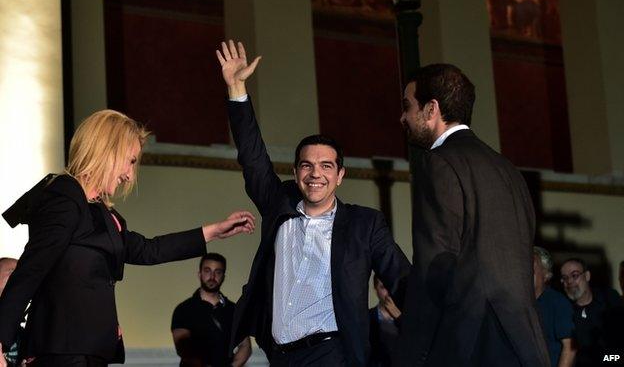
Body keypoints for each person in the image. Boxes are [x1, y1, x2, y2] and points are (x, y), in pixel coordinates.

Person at [0, 109, 255, 367]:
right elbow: (30, 270)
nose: (130, 176)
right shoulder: (64, 196)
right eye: (131, 161)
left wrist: (212, 232)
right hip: (60, 351)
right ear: (107, 151)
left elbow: (148, 250)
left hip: (90, 351)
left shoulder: (102, 214)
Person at [216, 40, 410, 366]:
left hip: (333, 354)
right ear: (295, 171)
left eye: (326, 166)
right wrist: (237, 89)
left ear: (340, 175)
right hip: (280, 355)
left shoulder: (364, 224)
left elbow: (403, 280)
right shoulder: (279, 204)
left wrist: (440, 330)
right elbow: (252, 158)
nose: (315, 174)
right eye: (307, 165)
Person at [396, 64, 549, 366]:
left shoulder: (438, 163)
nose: (402, 118)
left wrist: (412, 352)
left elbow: (435, 265)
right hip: (526, 343)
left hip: (471, 343)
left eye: (407, 107)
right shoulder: (507, 168)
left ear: (431, 109)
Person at [171, 253, 251, 367]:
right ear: (199, 274)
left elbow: (245, 346)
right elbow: (183, 348)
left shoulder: (234, 310)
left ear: (223, 276)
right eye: (207, 271)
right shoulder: (184, 310)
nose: (212, 277)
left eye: (218, 272)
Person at [560, 258, 624, 366]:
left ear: (587, 276)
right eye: (565, 278)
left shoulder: (609, 298)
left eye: (574, 275)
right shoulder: (563, 310)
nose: (569, 282)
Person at [533, 247, 576, 367]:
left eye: (532, 266)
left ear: (546, 274)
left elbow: (570, 348)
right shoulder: (519, 303)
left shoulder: (558, 303)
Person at [368, 276, 400, 367]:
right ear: (375, 289)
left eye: (391, 285)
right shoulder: (368, 317)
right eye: (383, 287)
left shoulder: (406, 317)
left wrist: (399, 317)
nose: (388, 292)